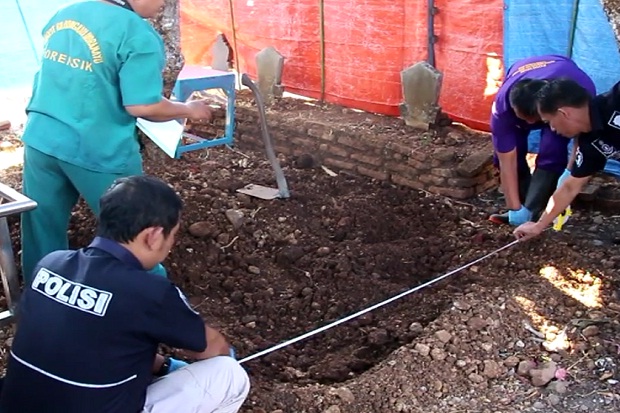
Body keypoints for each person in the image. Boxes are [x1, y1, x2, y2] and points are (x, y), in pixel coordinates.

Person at [0, 175, 250, 412]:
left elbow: (89, 342)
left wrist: (164, 366)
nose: (171, 245)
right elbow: (211, 348)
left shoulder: (50, 265)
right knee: (229, 375)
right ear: (152, 236)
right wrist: (225, 357)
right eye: (172, 235)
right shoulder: (150, 292)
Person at [20, 0, 213, 282]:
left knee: (42, 229)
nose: (163, 4)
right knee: (137, 233)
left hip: (42, 138)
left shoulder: (66, 14)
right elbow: (142, 106)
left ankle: (41, 300)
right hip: (97, 149)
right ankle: (153, 302)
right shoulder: (138, 34)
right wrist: (188, 109)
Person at [488, 55, 596, 226]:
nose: (530, 125)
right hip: (522, 80)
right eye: (524, 119)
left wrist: (570, 172)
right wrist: (514, 208)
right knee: (513, 154)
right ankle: (522, 210)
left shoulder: (576, 91)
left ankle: (536, 209)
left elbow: (582, 132)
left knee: (553, 150)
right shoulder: (502, 109)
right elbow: (506, 162)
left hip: (559, 83)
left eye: (536, 119)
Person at [515, 79, 620, 240]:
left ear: (564, 113)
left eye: (549, 122)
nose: (552, 129)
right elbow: (570, 187)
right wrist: (539, 225)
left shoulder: (615, 100)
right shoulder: (590, 142)